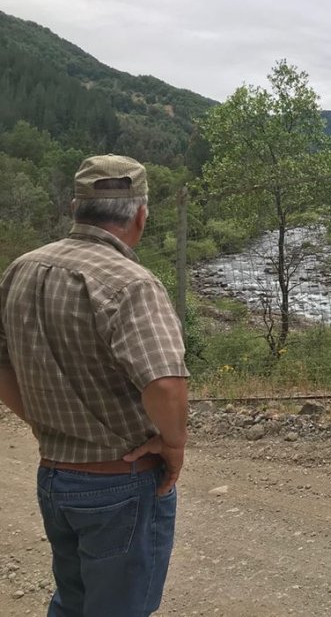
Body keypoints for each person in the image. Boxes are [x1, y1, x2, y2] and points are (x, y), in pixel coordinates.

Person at [0, 154, 190, 617]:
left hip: (55, 476)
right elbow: (165, 383)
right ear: (141, 215)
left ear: (75, 207)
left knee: (74, 600)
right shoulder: (130, 281)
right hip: (120, 482)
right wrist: (173, 445)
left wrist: (44, 418)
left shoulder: (21, 269)